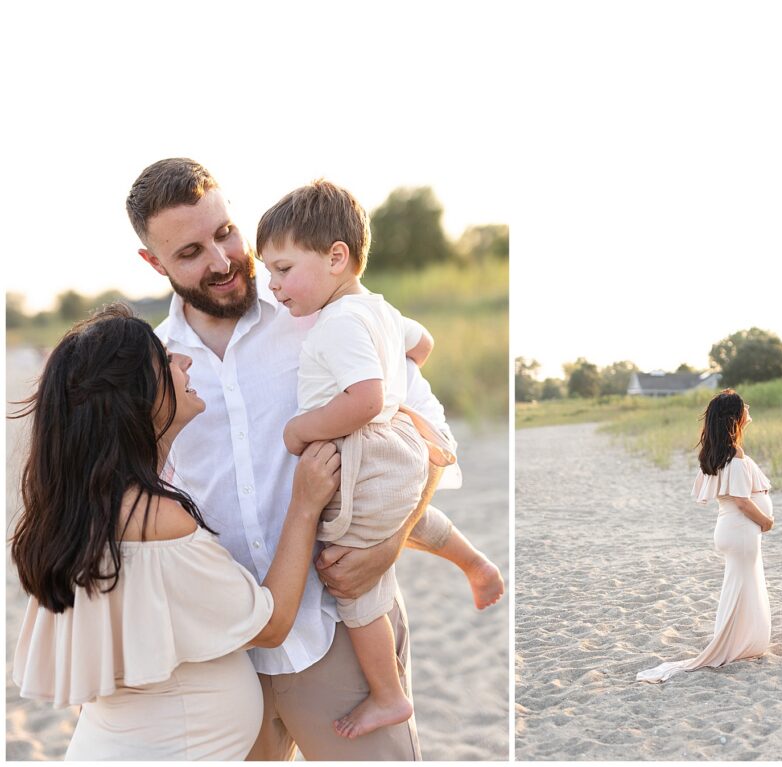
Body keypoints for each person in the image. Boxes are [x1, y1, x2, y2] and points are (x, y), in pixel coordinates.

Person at [125, 157, 473, 759]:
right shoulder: (152, 367)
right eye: (189, 253)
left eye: (225, 232)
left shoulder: (322, 309)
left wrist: (391, 542)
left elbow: (426, 435)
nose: (222, 260)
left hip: (339, 628)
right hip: (222, 658)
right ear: (154, 264)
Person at [10, 305, 341, 760]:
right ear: (136, 396)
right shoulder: (155, 519)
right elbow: (272, 623)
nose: (184, 362)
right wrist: (304, 505)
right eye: (165, 359)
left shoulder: (80, 511)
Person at [255, 179, 503, 738]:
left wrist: (302, 429)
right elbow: (424, 343)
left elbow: (365, 400)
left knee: (354, 580)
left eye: (283, 269)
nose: (272, 286)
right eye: (268, 272)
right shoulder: (379, 310)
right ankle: (474, 562)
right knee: (392, 517)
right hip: (398, 447)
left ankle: (388, 695)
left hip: (367, 450)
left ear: (337, 257)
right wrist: (400, 372)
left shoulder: (338, 324)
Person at [637, 390, 774, 683]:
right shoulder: (735, 454)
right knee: (742, 587)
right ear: (735, 417)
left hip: (730, 530)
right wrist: (766, 521)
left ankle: (740, 641)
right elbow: (741, 499)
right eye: (743, 405)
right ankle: (735, 643)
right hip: (740, 529)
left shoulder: (719, 450)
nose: (748, 407)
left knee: (739, 587)